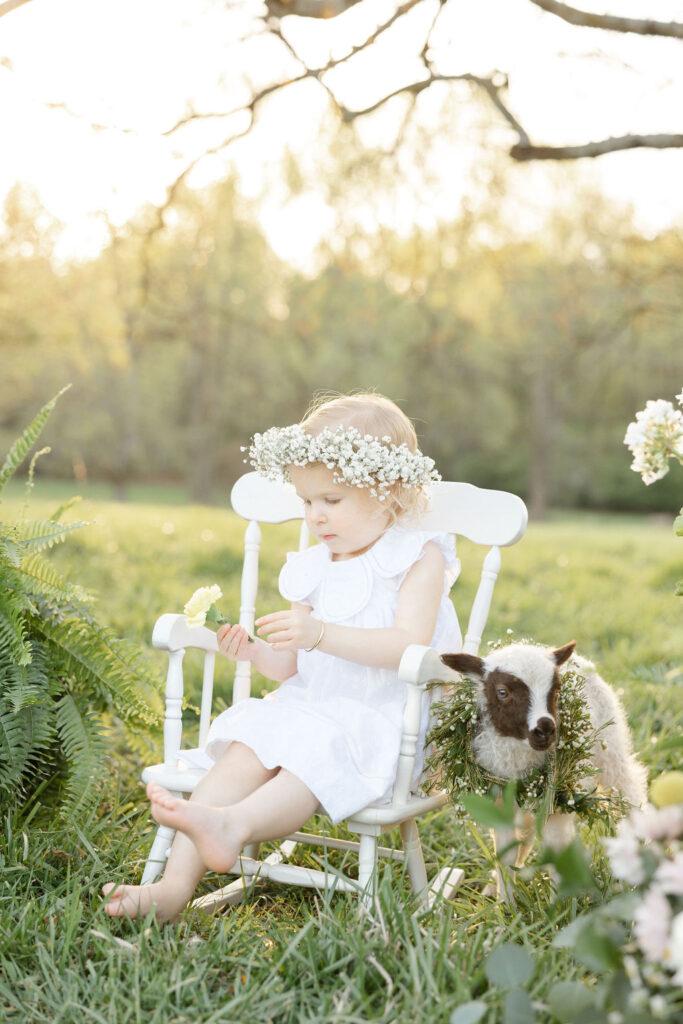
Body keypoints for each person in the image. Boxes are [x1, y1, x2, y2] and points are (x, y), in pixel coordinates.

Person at [102, 392, 462, 920]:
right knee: (247, 747)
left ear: (389, 493)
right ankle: (173, 889)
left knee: (309, 755)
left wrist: (318, 633)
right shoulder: (313, 567)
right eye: (306, 501)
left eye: (331, 500)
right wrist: (252, 652)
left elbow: (408, 644)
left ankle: (234, 825)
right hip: (311, 702)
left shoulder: (417, 558)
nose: (316, 515)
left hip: (383, 718)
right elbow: (292, 668)